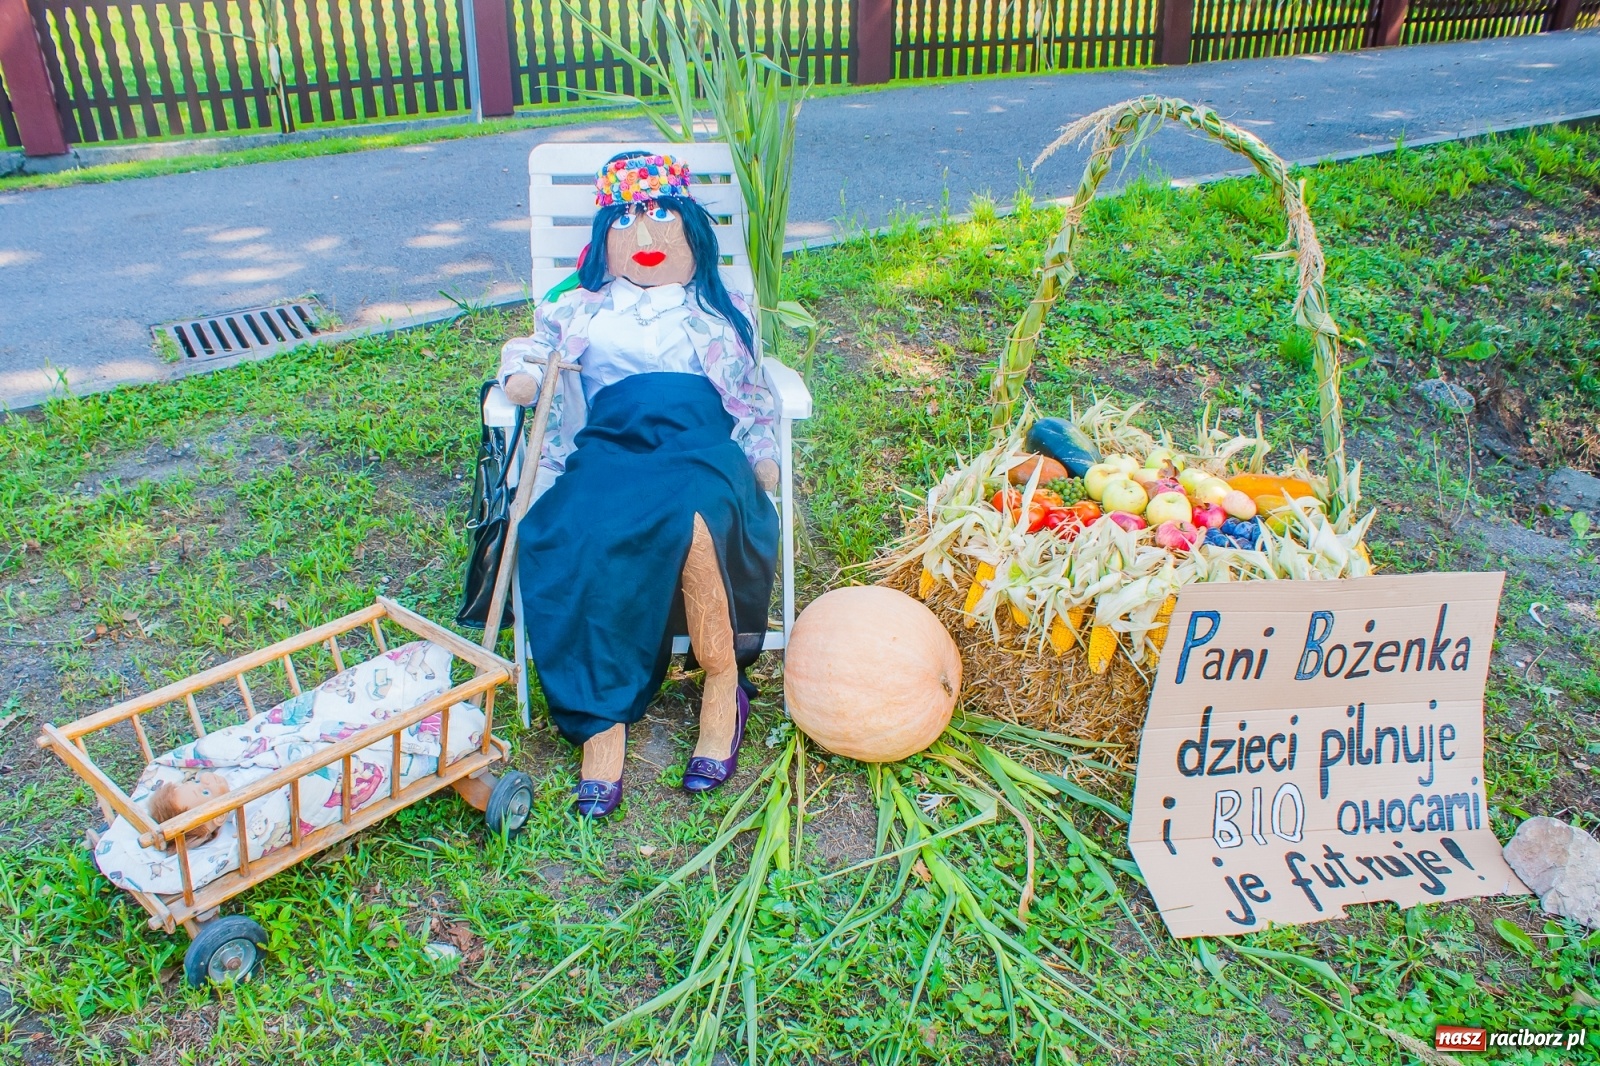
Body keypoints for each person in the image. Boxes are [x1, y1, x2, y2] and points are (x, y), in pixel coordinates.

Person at [497, 151, 780, 819]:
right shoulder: (582, 308)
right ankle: (601, 724)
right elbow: (532, 348)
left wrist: (762, 453)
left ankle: (721, 684)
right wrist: (525, 375)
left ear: (690, 230)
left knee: (701, 515)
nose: (645, 238)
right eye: (625, 221)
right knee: (579, 530)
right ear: (604, 240)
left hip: (700, 447)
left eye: (660, 219)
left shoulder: (719, 308)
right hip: (614, 450)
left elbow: (750, 396)